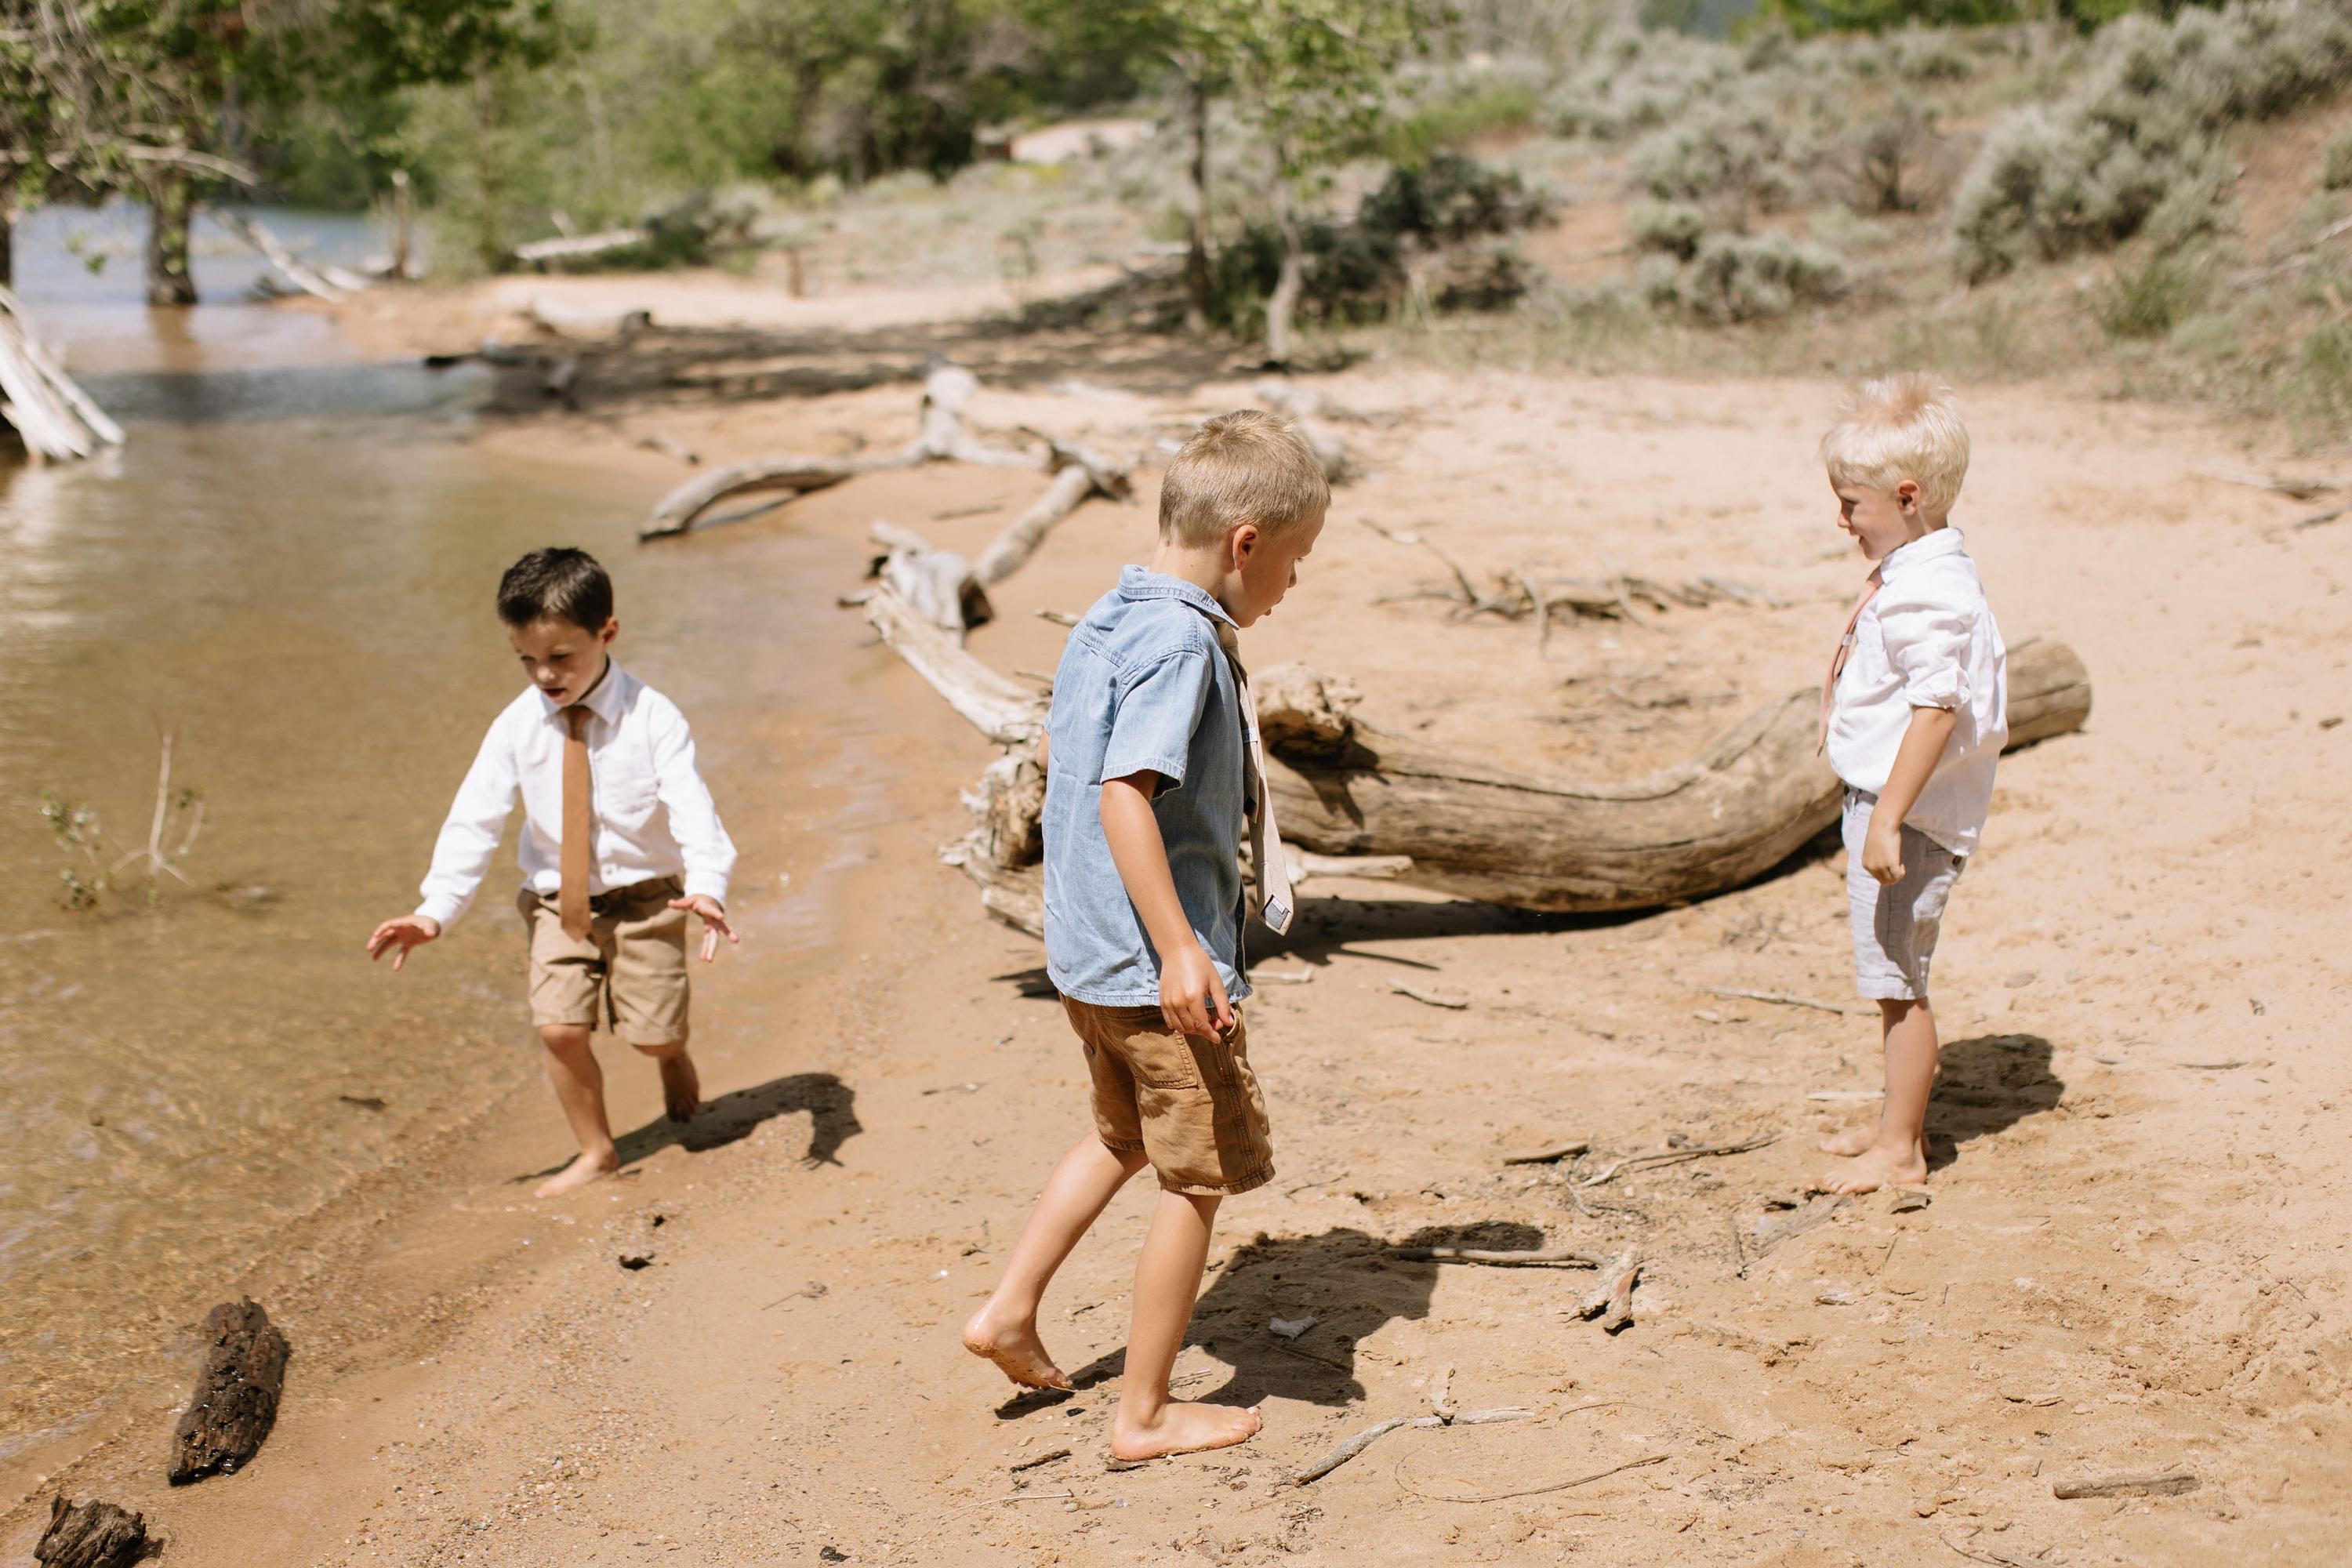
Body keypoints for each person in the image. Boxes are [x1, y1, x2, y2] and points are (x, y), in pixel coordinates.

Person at [960, 411, 1328, 1462]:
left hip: (1086, 955)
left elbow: (1059, 745)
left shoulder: (1111, 614)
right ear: (1245, 543)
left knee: (1122, 1137)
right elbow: (1125, 794)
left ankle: (1009, 1309)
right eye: (1294, 560)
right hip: (1150, 965)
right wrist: (1179, 948)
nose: (1293, 584)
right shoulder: (1181, 643)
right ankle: (1145, 1412)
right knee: (1195, 1179)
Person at [366, 547, 739, 1198]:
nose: (543, 674)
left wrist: (707, 885)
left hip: (649, 902)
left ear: (607, 632)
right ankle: (597, 1151)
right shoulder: (515, 726)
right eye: (526, 659)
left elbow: (692, 808)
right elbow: (474, 819)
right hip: (554, 904)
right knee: (559, 1030)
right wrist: (434, 911)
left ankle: (671, 1055)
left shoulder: (654, 717)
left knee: (652, 1037)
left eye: (561, 656)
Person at [1813, 375, 2007, 1196]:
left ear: (1907, 496)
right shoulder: (1923, 571)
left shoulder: (1929, 592)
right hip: (1893, 806)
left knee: (1899, 985)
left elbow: (1935, 709)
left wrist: (1887, 819)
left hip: (1910, 816)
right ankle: (1897, 1119)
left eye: (1851, 503)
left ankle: (1901, 1149)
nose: (1842, 520)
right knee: (1887, 977)